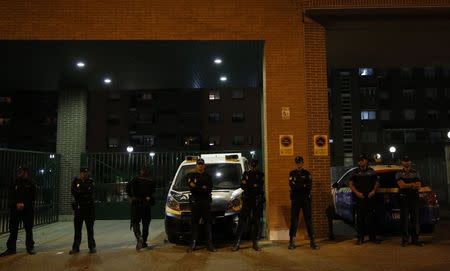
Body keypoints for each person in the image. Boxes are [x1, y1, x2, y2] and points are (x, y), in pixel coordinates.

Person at [0, 166, 36, 256]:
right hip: (15, 210)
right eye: (19, 172)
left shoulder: (31, 183)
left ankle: (29, 247)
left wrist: (24, 204)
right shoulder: (14, 182)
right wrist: (16, 204)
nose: (20, 174)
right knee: (13, 229)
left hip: (27, 210)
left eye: (22, 172)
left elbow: (32, 197)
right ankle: (11, 249)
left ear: (26, 173)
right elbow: (11, 195)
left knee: (28, 229)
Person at [231, 159, 265, 251]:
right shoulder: (245, 174)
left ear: (257, 166)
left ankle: (255, 243)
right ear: (249, 165)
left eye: (254, 166)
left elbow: (259, 186)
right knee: (241, 222)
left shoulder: (260, 174)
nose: (253, 167)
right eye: (251, 165)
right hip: (247, 200)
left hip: (256, 201)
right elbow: (242, 186)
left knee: (256, 222)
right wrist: (252, 185)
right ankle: (237, 243)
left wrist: (248, 184)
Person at [348, 154, 380, 245]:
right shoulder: (355, 172)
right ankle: (360, 238)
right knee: (360, 219)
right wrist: (357, 193)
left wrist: (373, 191)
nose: (361, 161)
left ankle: (372, 238)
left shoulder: (372, 171)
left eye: (363, 160)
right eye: (360, 160)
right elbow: (350, 183)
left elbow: (377, 182)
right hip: (360, 197)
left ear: (366, 161)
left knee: (371, 218)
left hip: (370, 197)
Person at [288, 156, 319, 250]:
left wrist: (298, 185)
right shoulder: (292, 173)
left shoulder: (307, 173)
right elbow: (291, 185)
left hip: (305, 199)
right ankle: (291, 241)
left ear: (302, 163)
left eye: (300, 162)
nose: (298, 164)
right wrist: (302, 185)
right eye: (297, 162)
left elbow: (309, 186)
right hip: (296, 199)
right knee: (294, 220)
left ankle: (312, 241)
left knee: (308, 219)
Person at [187, 158, 216, 252]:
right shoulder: (192, 175)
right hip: (195, 203)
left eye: (201, 164)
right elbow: (191, 189)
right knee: (194, 224)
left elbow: (209, 188)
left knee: (208, 224)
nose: (200, 165)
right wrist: (202, 187)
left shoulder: (208, 176)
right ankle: (193, 244)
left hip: (205, 202)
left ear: (204, 165)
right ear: (196, 165)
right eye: (198, 164)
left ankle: (210, 244)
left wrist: (197, 187)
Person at [126, 166, 156, 250]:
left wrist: (131, 198)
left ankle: (139, 237)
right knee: (146, 224)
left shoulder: (134, 179)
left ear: (140, 171)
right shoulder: (151, 181)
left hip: (136, 204)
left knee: (135, 223)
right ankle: (144, 241)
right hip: (146, 205)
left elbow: (127, 190)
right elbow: (152, 194)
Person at [396, 156, 423, 247]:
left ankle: (415, 239)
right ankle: (405, 240)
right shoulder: (399, 173)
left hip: (414, 198)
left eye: (408, 161)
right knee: (405, 220)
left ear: (410, 162)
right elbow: (401, 186)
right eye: (405, 161)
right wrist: (412, 184)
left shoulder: (415, 172)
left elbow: (418, 186)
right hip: (404, 199)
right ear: (402, 162)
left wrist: (407, 184)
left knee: (415, 220)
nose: (407, 162)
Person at [69, 168, 96, 254]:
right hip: (79, 208)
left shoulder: (90, 181)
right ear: (80, 173)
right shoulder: (76, 182)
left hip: (88, 208)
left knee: (90, 229)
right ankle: (76, 247)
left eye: (85, 172)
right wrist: (83, 192)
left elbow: (90, 192)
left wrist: (81, 192)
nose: (84, 174)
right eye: (82, 173)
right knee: (77, 229)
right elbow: (74, 192)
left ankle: (92, 247)